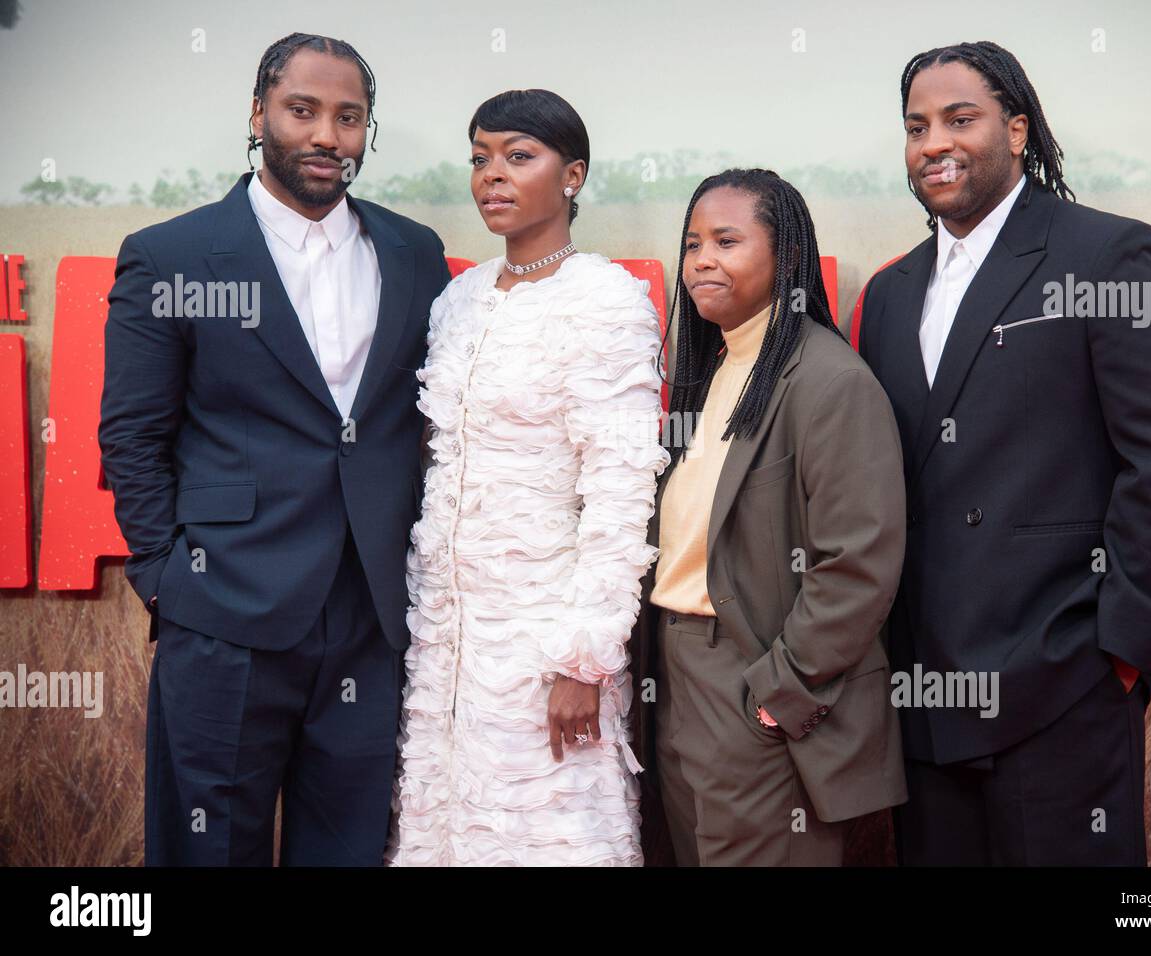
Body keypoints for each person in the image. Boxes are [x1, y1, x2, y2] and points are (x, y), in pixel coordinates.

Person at [857, 41, 1151, 865]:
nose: (933, 144)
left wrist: (1119, 655)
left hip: (1062, 688)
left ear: (1017, 131)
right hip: (925, 700)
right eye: (916, 127)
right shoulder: (891, 293)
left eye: (960, 119)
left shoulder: (1106, 255)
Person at [99, 33, 452, 864]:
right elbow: (131, 435)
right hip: (224, 613)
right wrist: (166, 580)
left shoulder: (413, 254)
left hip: (372, 616)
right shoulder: (175, 256)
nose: (328, 135)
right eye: (304, 110)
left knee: (350, 849)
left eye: (349, 116)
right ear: (258, 116)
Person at [384, 89, 669, 866]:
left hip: (545, 637)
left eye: (518, 157)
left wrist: (583, 658)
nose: (492, 177)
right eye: (480, 159)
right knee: (447, 827)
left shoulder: (606, 301)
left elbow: (619, 493)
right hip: (447, 639)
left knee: (550, 830)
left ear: (572, 175)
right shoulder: (459, 300)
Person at [632, 169, 908, 866]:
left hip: (754, 682)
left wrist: (776, 696)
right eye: (693, 243)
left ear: (785, 257)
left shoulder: (829, 380)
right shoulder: (718, 367)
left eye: (727, 240)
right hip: (677, 672)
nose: (702, 260)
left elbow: (859, 563)